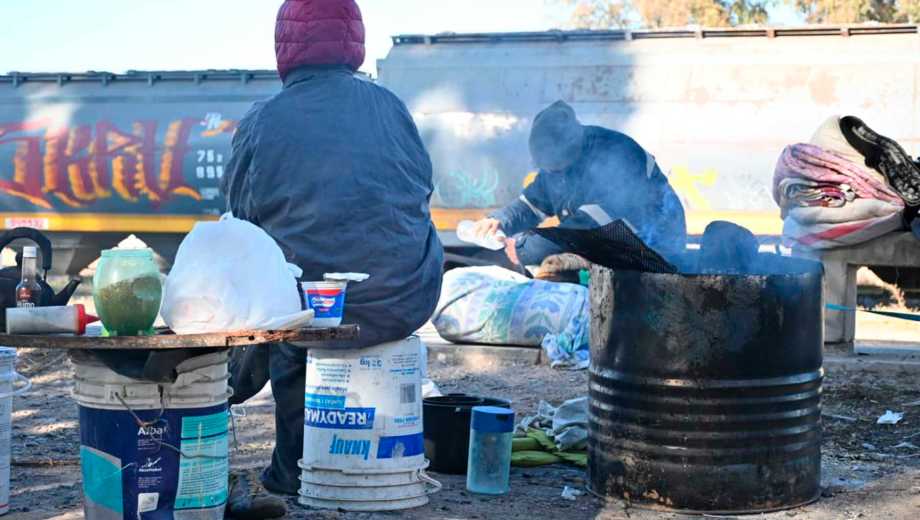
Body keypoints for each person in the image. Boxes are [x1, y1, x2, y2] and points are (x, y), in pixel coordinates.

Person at [220, 0, 443, 513]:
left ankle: (290, 468)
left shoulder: (262, 120)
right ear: (353, 41)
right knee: (308, 299)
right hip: (402, 300)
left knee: (290, 306)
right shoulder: (392, 107)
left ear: (285, 45)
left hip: (312, 314)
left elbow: (241, 219)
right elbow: (420, 192)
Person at [473, 100, 686, 265]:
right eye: (547, 168)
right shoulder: (557, 166)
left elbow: (589, 225)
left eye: (555, 167)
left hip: (655, 250)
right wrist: (500, 221)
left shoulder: (616, 153)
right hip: (611, 250)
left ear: (572, 150)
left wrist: (525, 248)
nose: (551, 172)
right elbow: (531, 204)